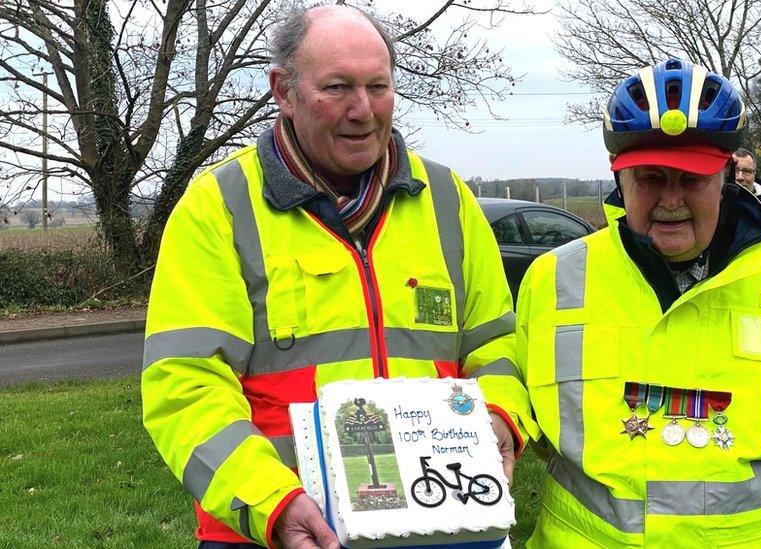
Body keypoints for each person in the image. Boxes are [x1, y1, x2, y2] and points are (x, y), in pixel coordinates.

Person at [141, 5, 531, 548]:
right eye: (338, 87)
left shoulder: (448, 200)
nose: (363, 110)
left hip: (445, 523)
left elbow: (497, 346)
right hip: (279, 532)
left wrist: (499, 416)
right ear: (283, 90)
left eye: (378, 86)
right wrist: (271, 502)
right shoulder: (220, 208)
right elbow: (185, 385)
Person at [510, 59, 761, 547]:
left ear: (727, 179)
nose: (670, 200)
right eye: (650, 178)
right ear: (618, 179)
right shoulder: (553, 279)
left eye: (691, 179)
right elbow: (531, 421)